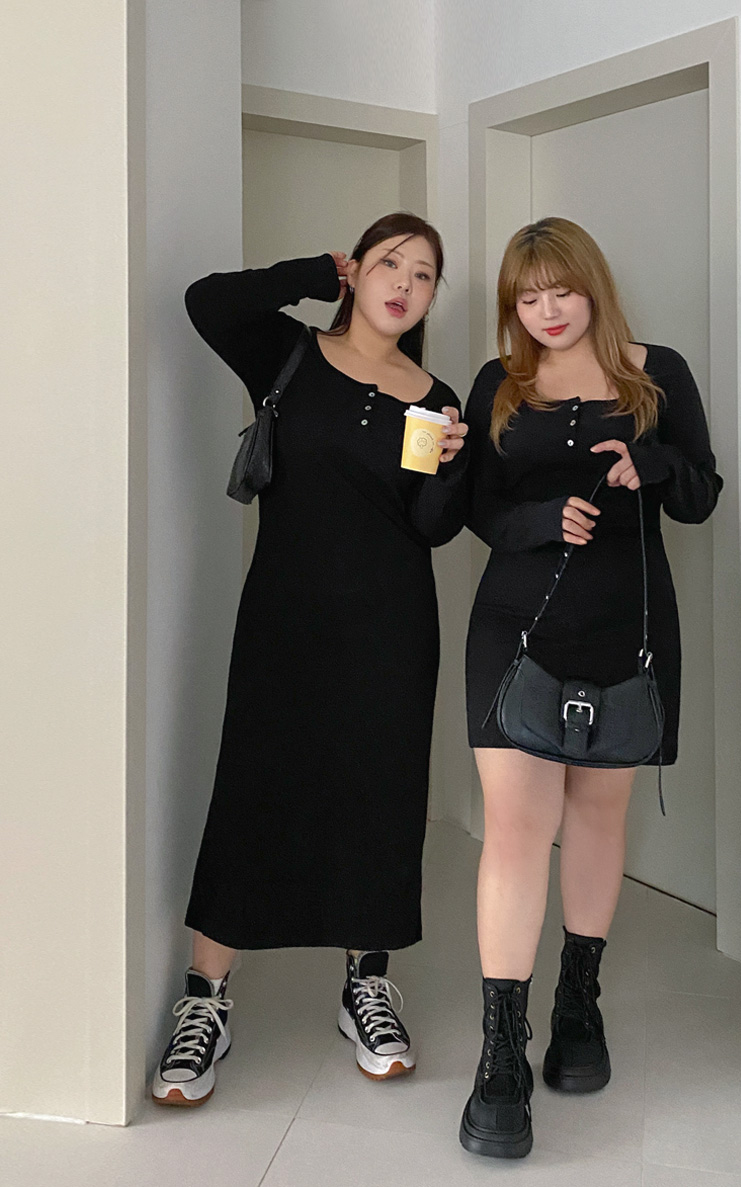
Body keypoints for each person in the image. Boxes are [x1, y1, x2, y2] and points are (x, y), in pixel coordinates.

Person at [152, 212, 469, 1107]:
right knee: (253, 787)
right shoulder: (289, 356)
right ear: (357, 271)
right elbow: (206, 302)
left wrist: (452, 468)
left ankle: (366, 983)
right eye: (389, 263)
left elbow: (431, 528)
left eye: (424, 273)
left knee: (378, 794)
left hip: (392, 630)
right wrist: (307, 272)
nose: (404, 283)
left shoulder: (434, 397)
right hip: (284, 621)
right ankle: (206, 996)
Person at [458, 217, 722, 1158]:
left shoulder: (658, 373)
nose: (547, 311)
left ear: (592, 285)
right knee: (516, 827)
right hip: (514, 624)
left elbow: (701, 493)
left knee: (599, 817)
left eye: (561, 290)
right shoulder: (500, 382)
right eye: (528, 298)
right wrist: (537, 519)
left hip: (626, 624)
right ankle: (501, 1052)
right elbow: (478, 504)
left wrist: (653, 464)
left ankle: (578, 1004)